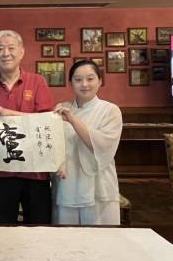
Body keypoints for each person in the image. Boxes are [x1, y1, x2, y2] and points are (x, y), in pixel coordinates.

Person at [0, 30, 55, 224]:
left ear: (22, 52)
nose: (6, 53)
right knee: (1, 228)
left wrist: (7, 112)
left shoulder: (37, 82)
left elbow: (46, 122)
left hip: (35, 171)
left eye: (11, 48)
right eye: (0, 49)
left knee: (39, 227)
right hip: (0, 170)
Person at [51, 59, 123, 226]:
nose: (84, 84)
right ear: (70, 83)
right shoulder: (62, 108)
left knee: (100, 238)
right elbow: (52, 143)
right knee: (66, 238)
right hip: (67, 182)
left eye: (90, 79)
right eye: (78, 80)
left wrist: (73, 120)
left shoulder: (110, 110)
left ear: (100, 81)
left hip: (98, 186)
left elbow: (102, 146)